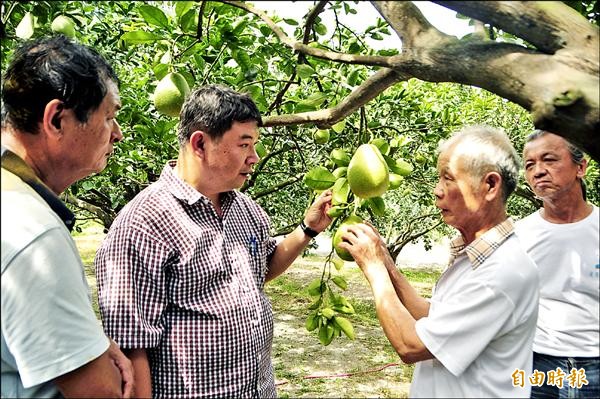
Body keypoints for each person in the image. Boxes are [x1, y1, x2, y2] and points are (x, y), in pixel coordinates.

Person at [95, 84, 333, 398]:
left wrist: (307, 229)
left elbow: (261, 268)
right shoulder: (143, 223)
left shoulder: (246, 209)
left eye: (255, 145)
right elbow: (131, 344)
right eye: (244, 145)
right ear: (200, 143)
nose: (254, 158)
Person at [338, 125, 540, 397]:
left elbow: (410, 346)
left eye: (448, 178)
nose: (437, 190)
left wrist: (374, 269)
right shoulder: (476, 256)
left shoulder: (503, 273)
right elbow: (433, 317)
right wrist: (386, 262)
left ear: (490, 185)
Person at [1, 36, 133, 398]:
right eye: (109, 117)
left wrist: (89, 342)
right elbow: (100, 393)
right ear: (57, 119)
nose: (117, 134)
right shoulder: (32, 235)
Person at [515, 130, 599, 399]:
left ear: (581, 167)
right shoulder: (519, 235)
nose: (538, 171)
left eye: (549, 160)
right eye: (530, 165)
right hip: (539, 365)